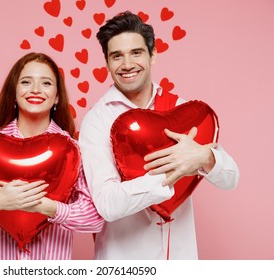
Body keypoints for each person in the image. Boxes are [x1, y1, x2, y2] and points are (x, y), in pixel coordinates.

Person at [78, 11, 239, 259]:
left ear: (152, 55)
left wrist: (203, 157)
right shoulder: (97, 121)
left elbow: (231, 178)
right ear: (107, 63)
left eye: (136, 53)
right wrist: (170, 173)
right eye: (116, 56)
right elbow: (107, 204)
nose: (127, 64)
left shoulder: (183, 110)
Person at [0, 52, 104, 260]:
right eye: (26, 82)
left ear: (57, 96)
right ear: (14, 92)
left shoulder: (72, 151)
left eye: (46, 83)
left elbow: (94, 218)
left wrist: (46, 207)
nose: (36, 90)